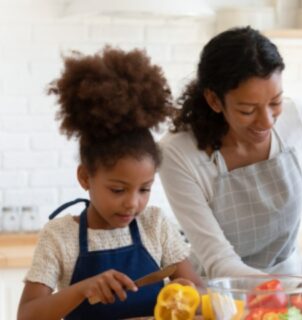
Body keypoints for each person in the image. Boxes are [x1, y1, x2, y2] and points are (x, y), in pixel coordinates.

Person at [158, 26, 302, 303]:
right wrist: (293, 289)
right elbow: (218, 258)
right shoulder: (178, 153)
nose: (267, 122)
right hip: (223, 298)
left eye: (275, 102)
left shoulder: (297, 118)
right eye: (247, 110)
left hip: (292, 284)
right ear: (214, 100)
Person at [17, 47, 203, 320]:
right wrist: (83, 289)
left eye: (145, 189)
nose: (133, 202)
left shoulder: (155, 225)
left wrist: (186, 291)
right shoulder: (59, 237)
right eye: (118, 189)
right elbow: (27, 314)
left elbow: (199, 290)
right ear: (85, 178)